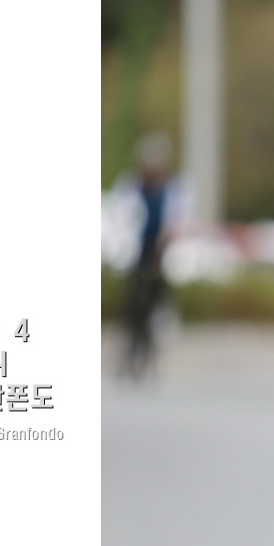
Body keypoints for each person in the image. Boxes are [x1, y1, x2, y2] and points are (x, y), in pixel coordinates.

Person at [118, 132, 181, 378]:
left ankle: (150, 351)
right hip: (136, 254)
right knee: (133, 305)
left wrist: (164, 245)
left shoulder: (171, 190)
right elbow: (123, 220)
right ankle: (129, 351)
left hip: (159, 256)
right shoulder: (132, 187)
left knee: (157, 302)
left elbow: (174, 221)